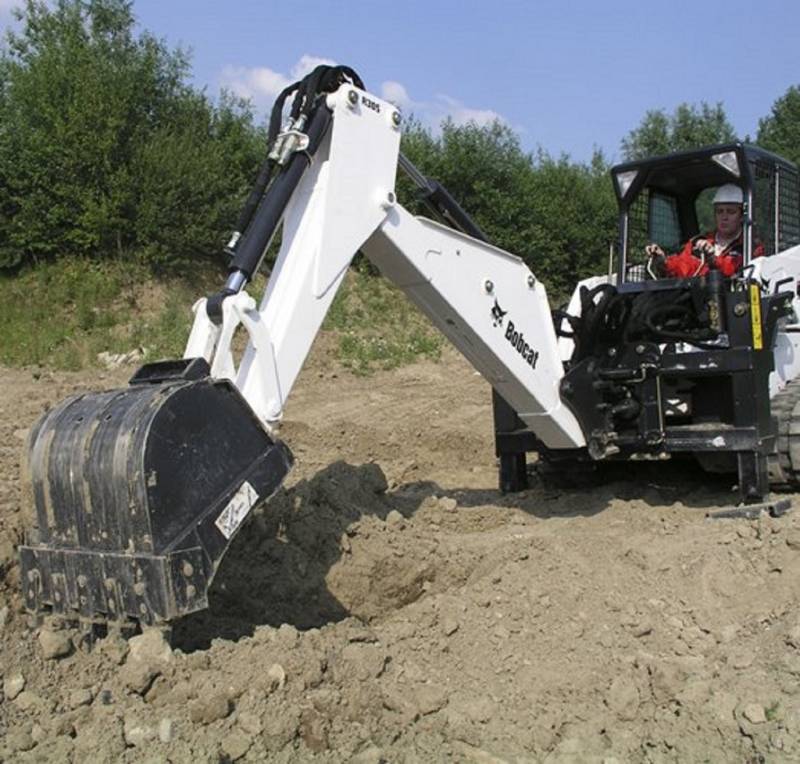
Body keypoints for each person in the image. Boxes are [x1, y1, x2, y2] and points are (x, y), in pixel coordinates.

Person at [645, 184, 762, 278]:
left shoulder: (751, 248)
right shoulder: (697, 243)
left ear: (742, 216)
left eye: (731, 212)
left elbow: (733, 271)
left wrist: (712, 259)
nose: (724, 217)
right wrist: (663, 261)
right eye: (720, 211)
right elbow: (683, 268)